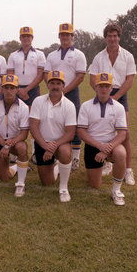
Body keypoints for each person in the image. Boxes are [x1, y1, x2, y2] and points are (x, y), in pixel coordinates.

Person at [88, 23, 137, 185]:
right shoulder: (98, 57)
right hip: (102, 94)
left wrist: (115, 97)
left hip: (120, 96)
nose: (112, 38)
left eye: (115, 35)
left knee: (125, 134)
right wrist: (104, 94)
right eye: (109, 36)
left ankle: (128, 170)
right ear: (105, 38)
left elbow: (130, 80)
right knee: (104, 130)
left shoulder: (127, 56)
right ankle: (108, 163)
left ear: (119, 37)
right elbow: (92, 79)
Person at [77, 73, 128, 206]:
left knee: (121, 153)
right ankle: (99, 167)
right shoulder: (86, 106)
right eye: (101, 86)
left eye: (107, 86)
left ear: (111, 88)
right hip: (93, 145)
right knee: (95, 185)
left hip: (112, 145)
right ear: (95, 87)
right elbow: (81, 132)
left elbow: (122, 134)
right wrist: (100, 147)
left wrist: (106, 150)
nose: (104, 89)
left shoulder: (118, 107)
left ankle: (116, 190)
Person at [44, 23, 87, 171]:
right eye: (62, 34)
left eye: (68, 34)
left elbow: (80, 76)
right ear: (59, 36)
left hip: (71, 92)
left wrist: (65, 90)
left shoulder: (79, 54)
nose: (65, 37)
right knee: (55, 121)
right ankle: (57, 154)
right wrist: (54, 88)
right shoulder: (51, 55)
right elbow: (46, 74)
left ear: (72, 36)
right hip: (55, 92)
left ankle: (75, 157)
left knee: (73, 125)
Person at [29, 70, 76, 202]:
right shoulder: (38, 101)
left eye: (58, 83)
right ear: (48, 85)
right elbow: (33, 127)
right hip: (42, 143)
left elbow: (70, 133)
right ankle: (57, 168)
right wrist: (45, 146)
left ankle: (63, 188)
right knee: (47, 182)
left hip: (60, 144)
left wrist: (53, 147)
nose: (55, 86)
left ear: (63, 85)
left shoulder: (69, 105)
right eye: (52, 83)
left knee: (65, 152)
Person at [7, 26, 45, 163]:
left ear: (32, 38)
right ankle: (15, 151)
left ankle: (35, 152)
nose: (26, 38)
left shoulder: (39, 54)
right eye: (23, 36)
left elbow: (40, 74)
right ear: (20, 38)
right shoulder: (13, 55)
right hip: (15, 89)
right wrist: (18, 90)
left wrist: (27, 89)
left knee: (34, 121)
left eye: (28, 36)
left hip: (33, 90)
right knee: (16, 120)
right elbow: (9, 74)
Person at [0, 74, 30, 197]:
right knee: (4, 178)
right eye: (6, 88)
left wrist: (8, 145)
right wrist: (3, 144)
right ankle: (17, 166)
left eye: (12, 88)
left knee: (22, 148)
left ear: (17, 89)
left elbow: (24, 133)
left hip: (15, 141)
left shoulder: (23, 107)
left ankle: (20, 184)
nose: (9, 91)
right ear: (2, 88)